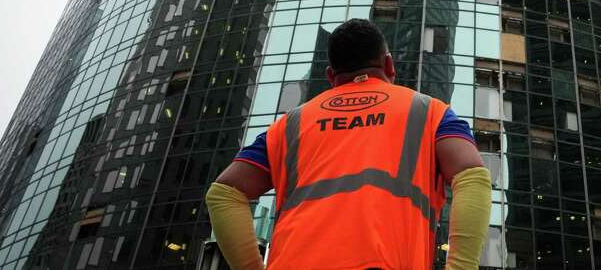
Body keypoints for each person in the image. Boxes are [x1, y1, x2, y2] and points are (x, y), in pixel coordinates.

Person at [205, 18, 491, 269]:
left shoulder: (289, 124)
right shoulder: (430, 111)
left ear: (331, 76)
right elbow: (473, 176)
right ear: (389, 64)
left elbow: (223, 194)